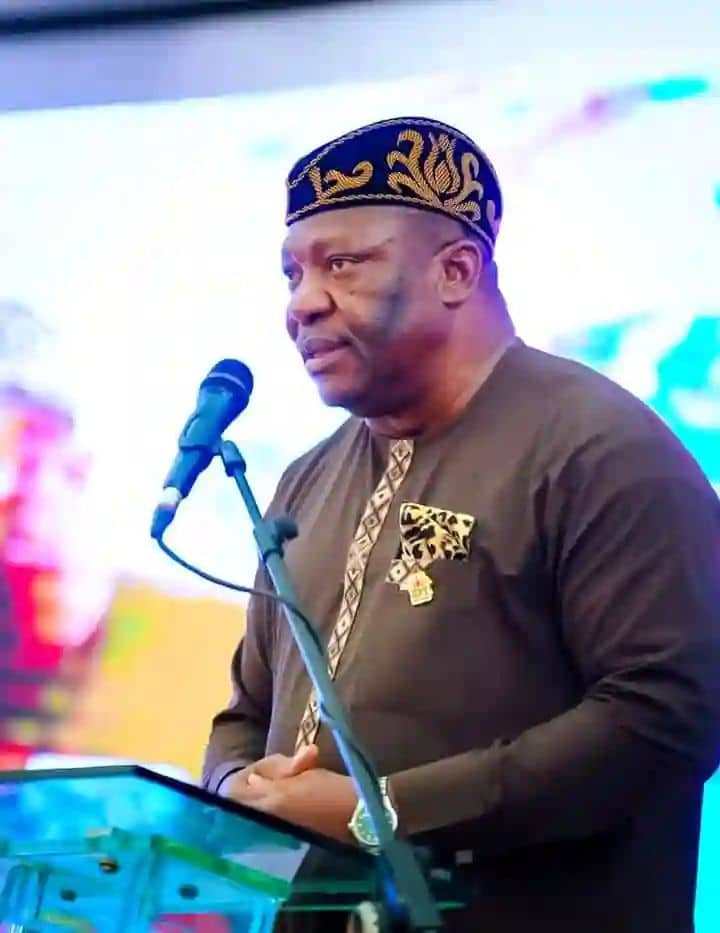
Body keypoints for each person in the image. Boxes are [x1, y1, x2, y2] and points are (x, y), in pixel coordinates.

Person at [202, 117, 720, 932]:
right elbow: (245, 713)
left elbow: (668, 716)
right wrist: (235, 789)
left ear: (455, 270)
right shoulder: (307, 478)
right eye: (292, 273)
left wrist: (383, 811)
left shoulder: (598, 448)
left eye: (342, 264)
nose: (302, 303)